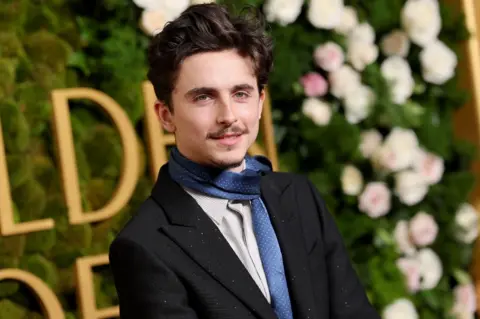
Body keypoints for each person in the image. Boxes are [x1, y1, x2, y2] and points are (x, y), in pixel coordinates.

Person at [109, 3, 380, 319]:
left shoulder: (299, 197)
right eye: (204, 97)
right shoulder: (144, 246)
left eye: (241, 94)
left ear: (261, 102)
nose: (228, 117)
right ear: (166, 116)